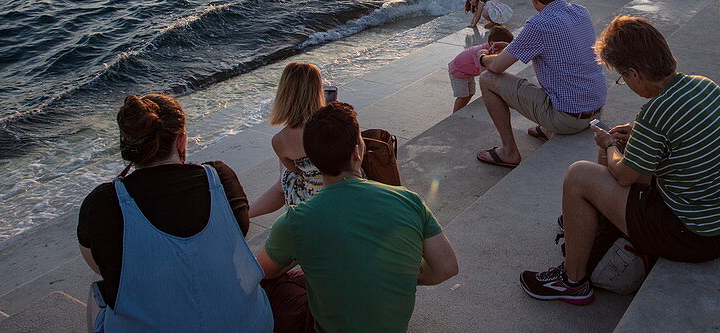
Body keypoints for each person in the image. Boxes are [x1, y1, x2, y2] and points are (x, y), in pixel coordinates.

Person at [519, 16, 720, 304]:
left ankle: (572, 280)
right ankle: (591, 223)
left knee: (579, 175)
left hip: (694, 236)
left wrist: (610, 144)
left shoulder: (657, 111)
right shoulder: (704, 85)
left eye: (623, 77)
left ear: (635, 74)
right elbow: (683, 135)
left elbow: (626, 175)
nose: (625, 84)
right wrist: (638, 133)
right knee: (628, 160)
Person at [78, 94, 272, 332]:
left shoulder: (103, 203)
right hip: (249, 326)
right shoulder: (219, 178)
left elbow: (101, 266)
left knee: (98, 293)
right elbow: (237, 232)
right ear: (181, 141)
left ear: (128, 147)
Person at [257, 102, 457, 333]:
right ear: (357, 152)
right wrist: (400, 271)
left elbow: (262, 271)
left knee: (276, 281)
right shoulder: (408, 200)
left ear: (312, 158)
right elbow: (446, 267)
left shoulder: (296, 221)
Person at [475, 0, 607, 166]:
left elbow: (496, 66)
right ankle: (547, 128)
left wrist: (482, 57)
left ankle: (509, 152)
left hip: (568, 119)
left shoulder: (539, 24)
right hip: (595, 109)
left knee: (486, 80)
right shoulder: (581, 12)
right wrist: (511, 48)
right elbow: (556, 44)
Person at [247, 63, 329, 218]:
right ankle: (245, 214)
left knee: (288, 177)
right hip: (347, 183)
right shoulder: (338, 122)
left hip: (315, 198)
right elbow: (360, 150)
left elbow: (295, 172)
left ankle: (245, 215)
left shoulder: (280, 140)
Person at [448, 25, 513, 113]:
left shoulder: (493, 49)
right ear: (492, 43)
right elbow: (484, 74)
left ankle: (461, 110)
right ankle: (455, 113)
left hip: (468, 72)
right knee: (462, 95)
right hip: (458, 71)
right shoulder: (481, 52)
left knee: (470, 93)